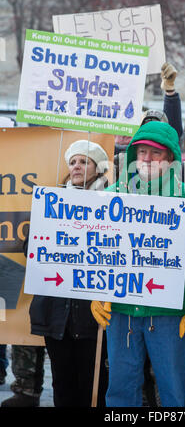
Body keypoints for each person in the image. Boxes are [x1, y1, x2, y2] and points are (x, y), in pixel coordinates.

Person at [91, 121, 185, 407]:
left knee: (173, 389)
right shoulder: (110, 196)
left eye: (156, 153)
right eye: (142, 152)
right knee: (121, 390)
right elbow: (96, 250)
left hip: (168, 314)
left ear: (171, 158)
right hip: (121, 311)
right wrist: (96, 291)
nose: (147, 159)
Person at [28, 140, 110, 407]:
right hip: (56, 315)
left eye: (84, 161)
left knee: (93, 384)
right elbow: (32, 246)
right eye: (73, 162)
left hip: (92, 315)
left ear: (98, 169)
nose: (76, 166)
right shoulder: (49, 202)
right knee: (61, 383)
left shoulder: (113, 202)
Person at [114, 62, 183, 181]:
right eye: (145, 128)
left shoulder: (176, 177)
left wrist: (170, 93)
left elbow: (173, 134)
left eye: (156, 151)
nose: (147, 158)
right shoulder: (115, 160)